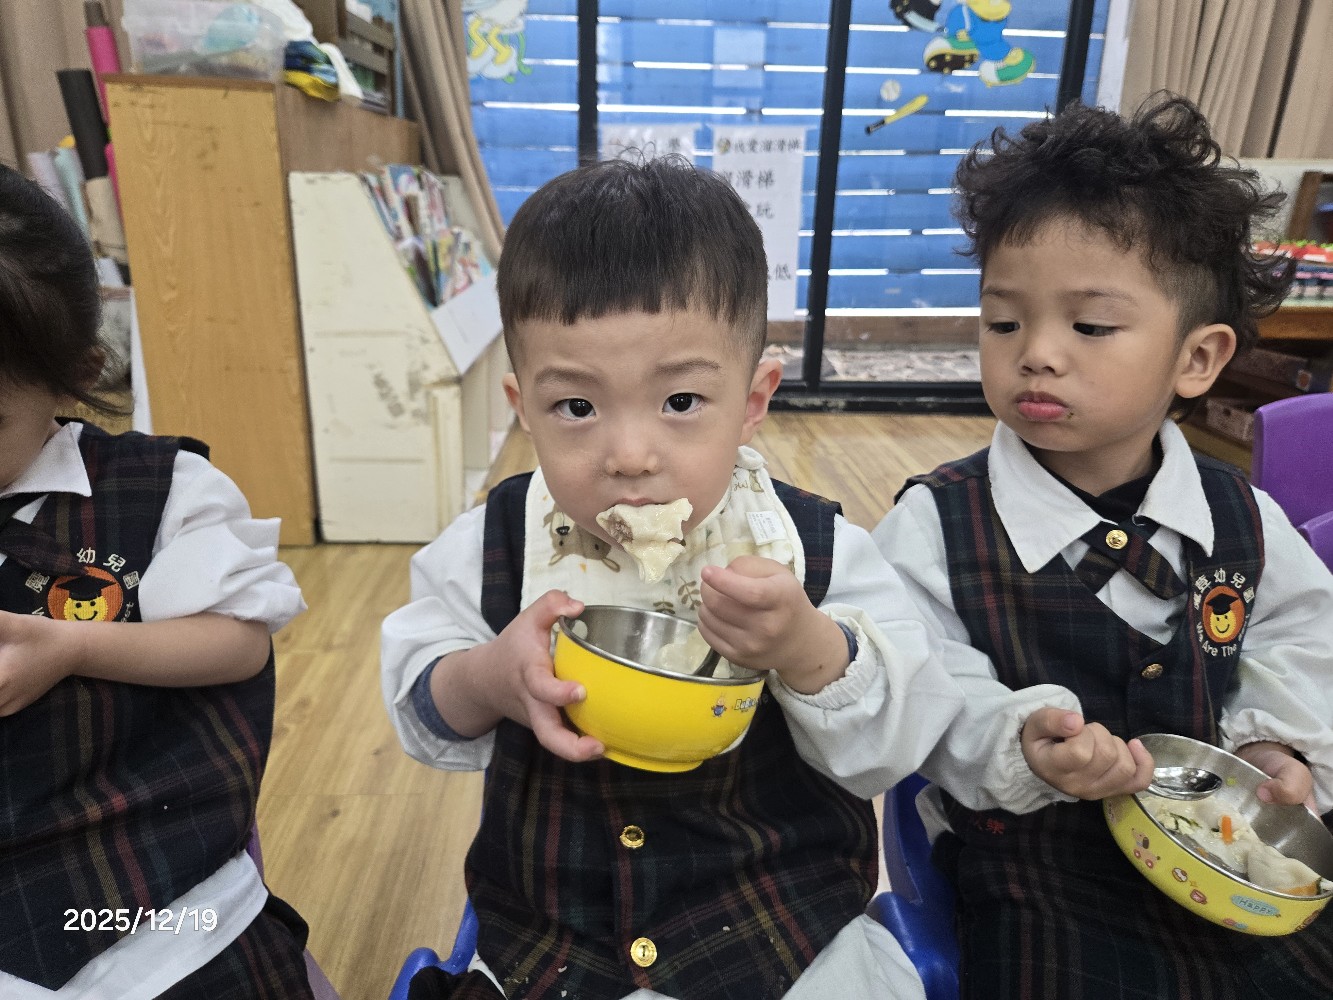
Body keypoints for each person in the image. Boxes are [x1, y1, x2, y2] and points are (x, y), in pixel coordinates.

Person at [382, 156, 966, 1000]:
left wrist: (808, 649)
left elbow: (900, 738)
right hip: (552, 936)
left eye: (681, 403)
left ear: (754, 399)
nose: (629, 455)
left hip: (782, 922)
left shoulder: (812, 546)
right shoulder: (493, 544)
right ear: (523, 407)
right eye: (576, 407)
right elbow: (417, 702)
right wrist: (487, 677)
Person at [872, 95, 1333, 999]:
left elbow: (1303, 640)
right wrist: (1019, 742)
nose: (1036, 353)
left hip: (1228, 859)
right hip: (1041, 880)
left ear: (1196, 360)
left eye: (1088, 327)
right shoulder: (935, 524)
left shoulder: (1242, 519)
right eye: (1003, 322)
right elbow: (915, 687)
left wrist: (1274, 746)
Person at [0, 165, 314, 999]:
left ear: (77, 371)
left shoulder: (160, 490)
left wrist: (72, 647)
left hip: (157, 900)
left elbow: (238, 642)